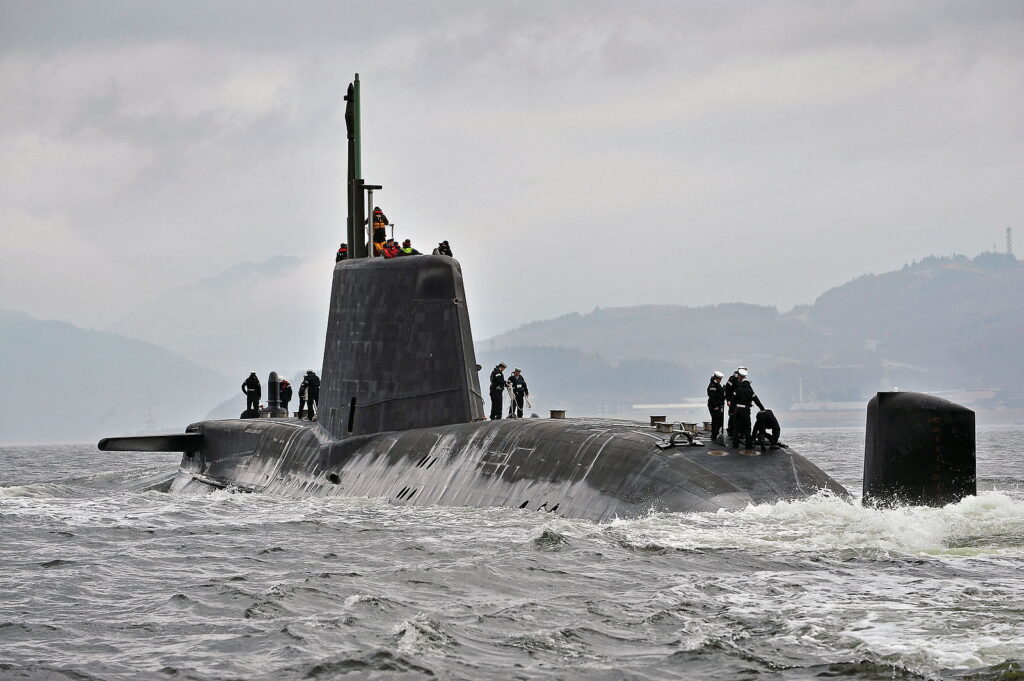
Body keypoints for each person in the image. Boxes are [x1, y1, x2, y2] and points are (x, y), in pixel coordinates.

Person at [730, 368, 764, 449]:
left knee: (736, 428)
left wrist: (731, 411)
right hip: (745, 411)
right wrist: (762, 409)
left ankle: (735, 445)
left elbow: (732, 401)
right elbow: (757, 401)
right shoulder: (750, 392)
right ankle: (748, 445)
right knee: (747, 428)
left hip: (737, 410)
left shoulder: (737, 390)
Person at [723, 366, 746, 439]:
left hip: (741, 402)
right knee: (732, 416)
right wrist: (728, 400)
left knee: (742, 417)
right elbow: (727, 390)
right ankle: (730, 431)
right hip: (733, 401)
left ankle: (741, 432)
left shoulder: (744, 379)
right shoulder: (732, 379)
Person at [707, 370, 726, 444]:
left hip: (719, 405)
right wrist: (715, 406)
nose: (720, 380)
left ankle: (716, 433)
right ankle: (714, 436)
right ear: (716, 378)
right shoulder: (713, 385)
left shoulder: (717, 384)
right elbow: (712, 396)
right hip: (715, 405)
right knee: (715, 420)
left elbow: (719, 393)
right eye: (719, 379)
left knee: (719, 420)